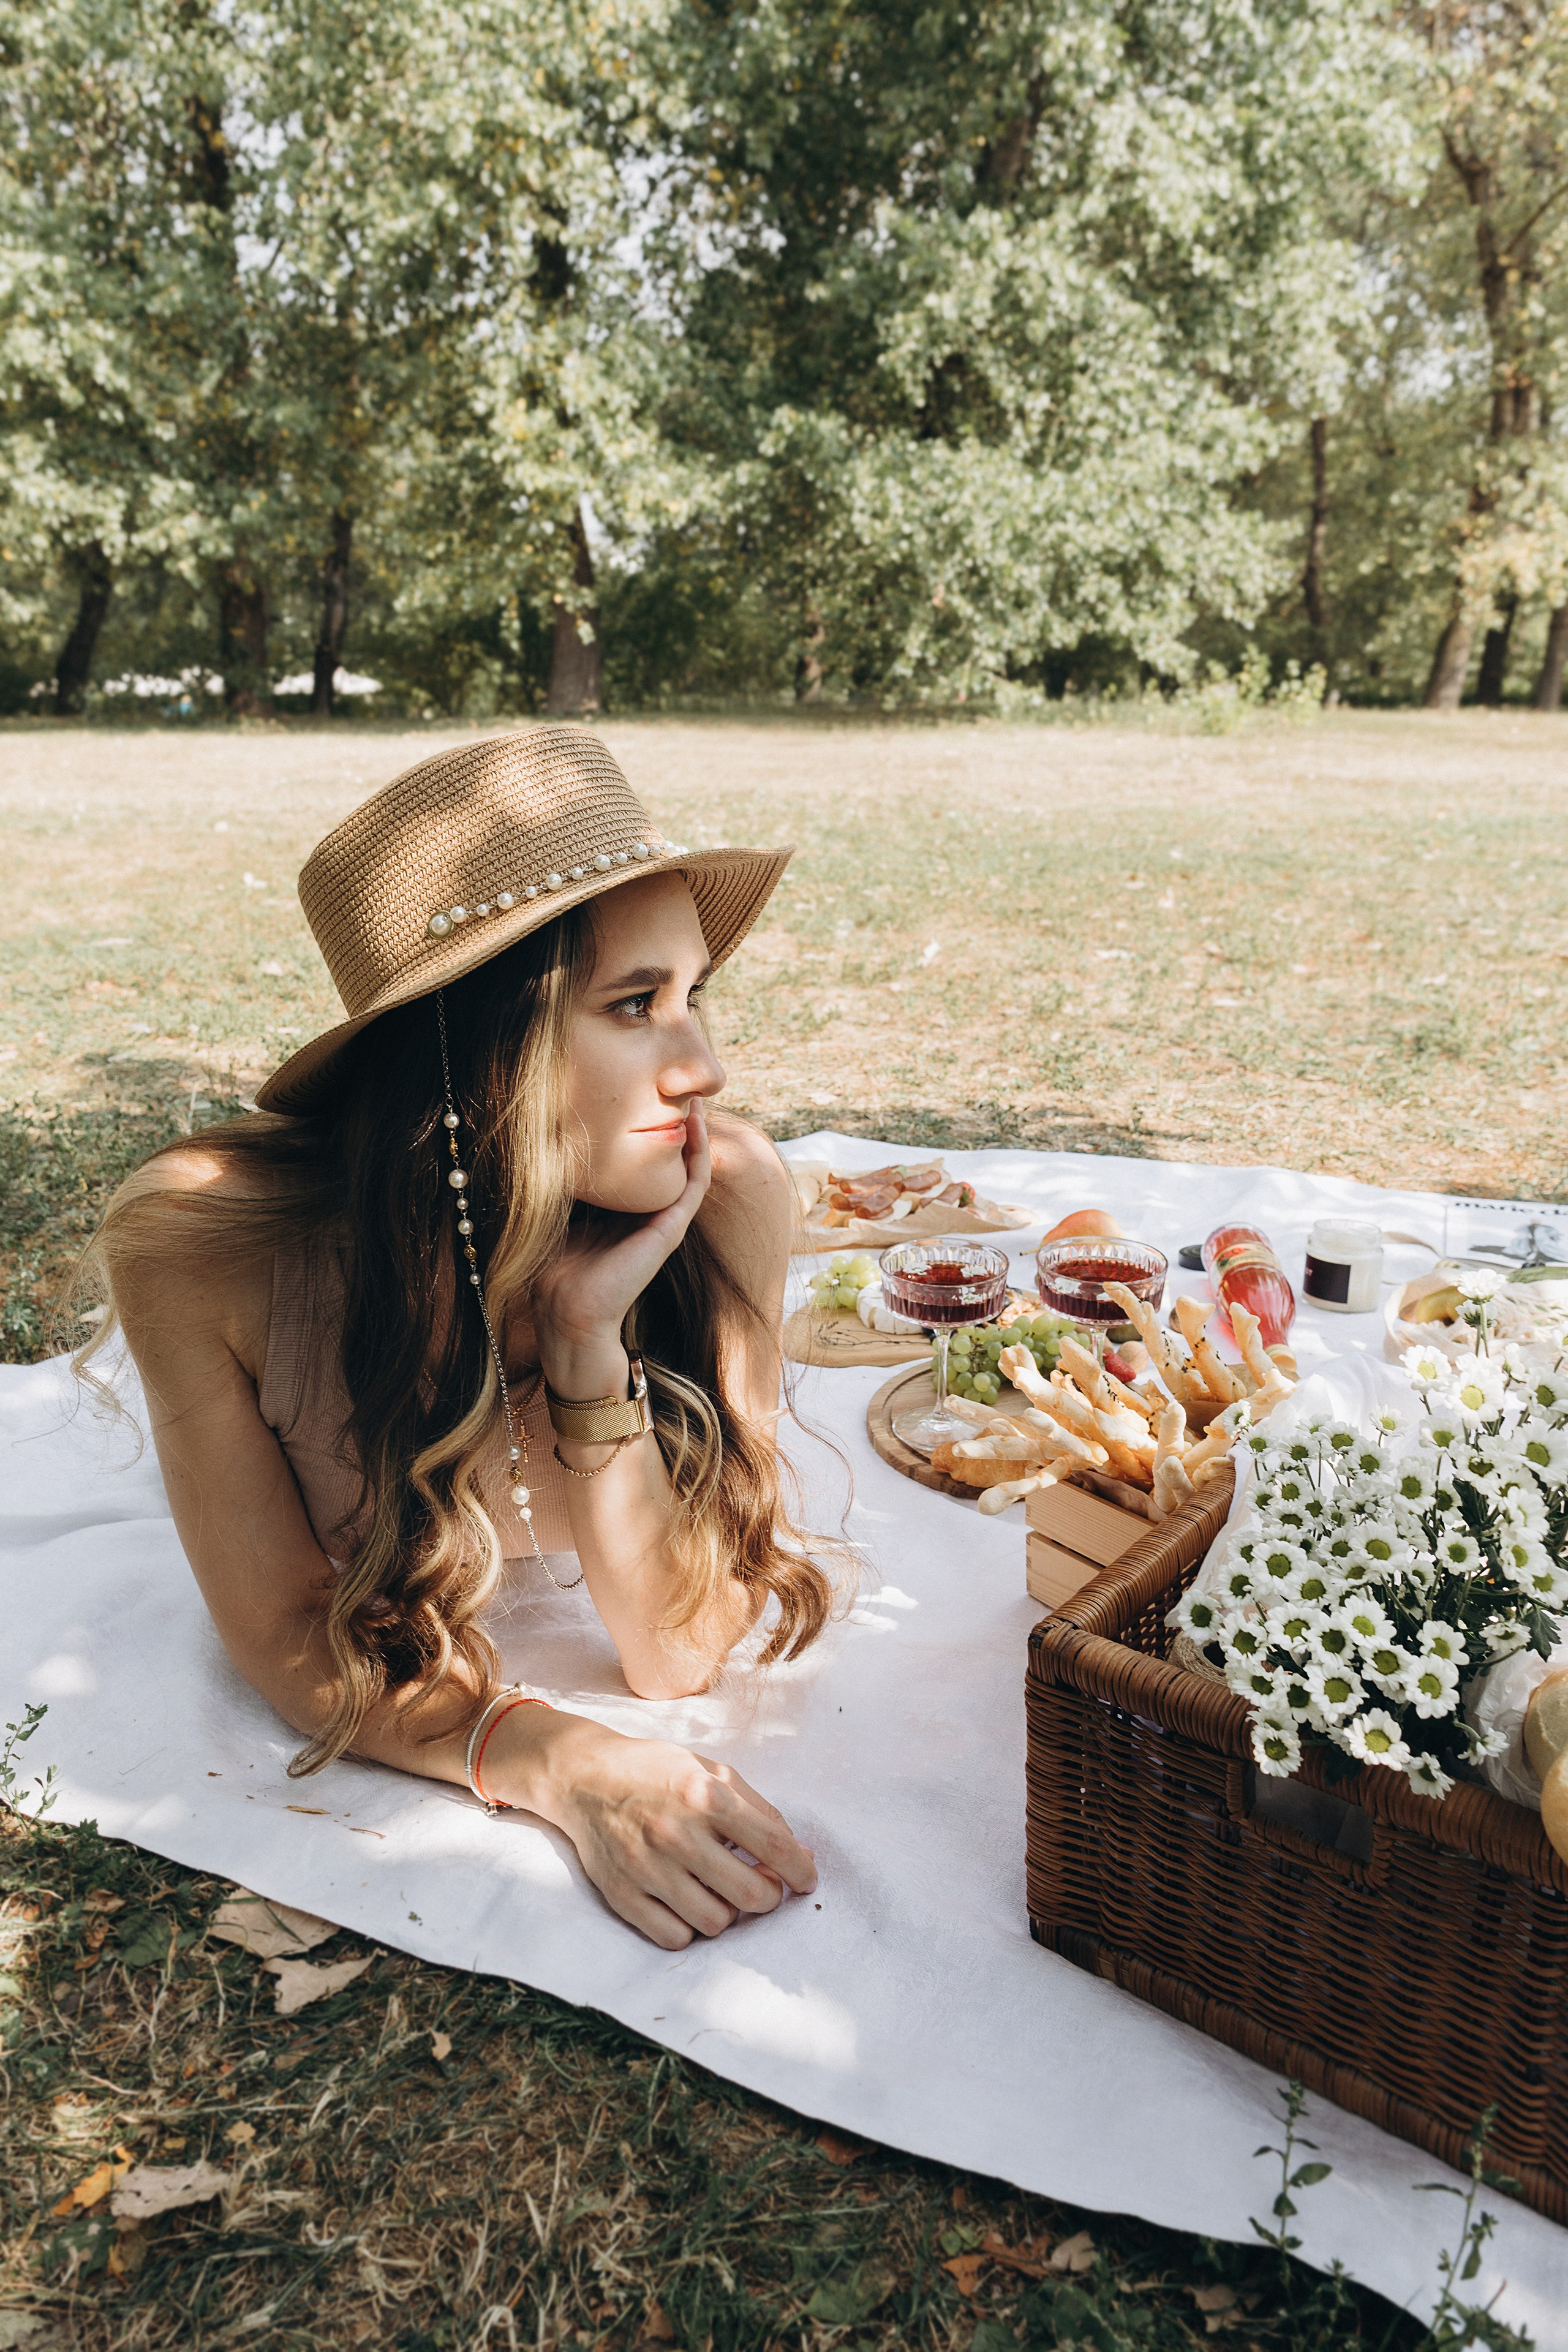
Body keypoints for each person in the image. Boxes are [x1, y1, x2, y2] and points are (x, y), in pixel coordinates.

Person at [81, 726, 836, 1950]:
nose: (702, 1065)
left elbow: (677, 1655)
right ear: (472, 1051)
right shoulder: (201, 1249)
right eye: (634, 1006)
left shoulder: (730, 1197)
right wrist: (559, 1762)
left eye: (694, 998)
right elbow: (284, 1632)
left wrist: (591, 1343)